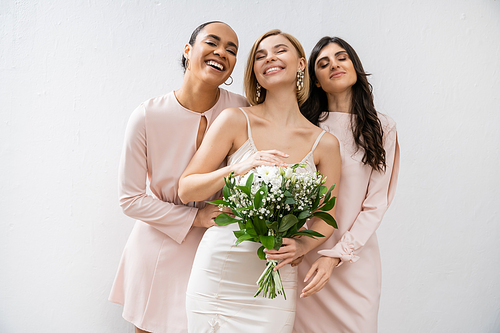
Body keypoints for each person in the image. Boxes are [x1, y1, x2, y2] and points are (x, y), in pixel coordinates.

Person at [178, 30, 341, 333]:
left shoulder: (325, 144)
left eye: (280, 51)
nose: (270, 58)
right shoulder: (234, 120)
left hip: (276, 278)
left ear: (301, 63)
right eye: (260, 56)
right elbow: (187, 187)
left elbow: (326, 217)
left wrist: (302, 246)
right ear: (254, 71)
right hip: (220, 270)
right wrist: (239, 168)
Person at [108, 21, 248, 333]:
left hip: (219, 247)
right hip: (159, 244)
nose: (221, 52)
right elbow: (130, 200)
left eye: (232, 50)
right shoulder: (147, 115)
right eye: (212, 42)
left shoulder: (241, 108)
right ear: (188, 50)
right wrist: (196, 219)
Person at [294, 37, 400, 333]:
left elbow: (376, 204)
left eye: (341, 58)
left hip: (354, 261)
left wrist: (336, 256)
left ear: (355, 66)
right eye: (323, 63)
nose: (334, 65)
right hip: (305, 257)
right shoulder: (304, 126)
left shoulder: (382, 127)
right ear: (315, 80)